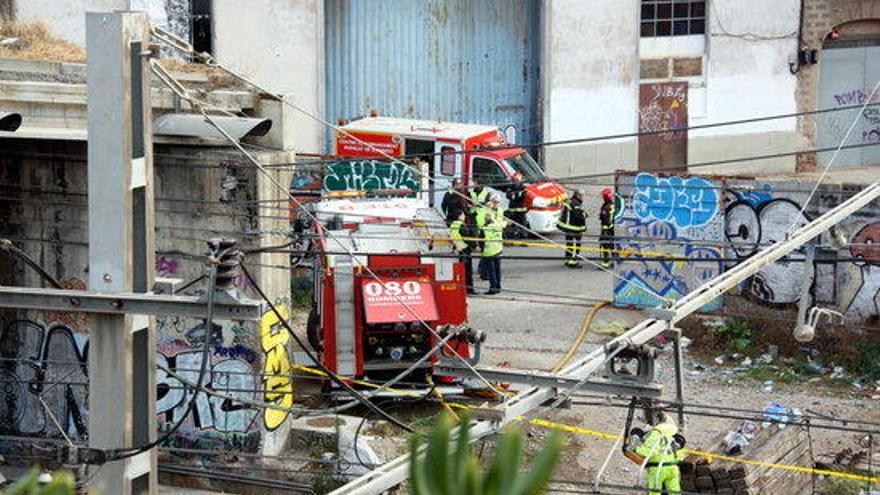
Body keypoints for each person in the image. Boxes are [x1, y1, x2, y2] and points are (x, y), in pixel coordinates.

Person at [632, 412, 686, 495]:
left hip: (658, 468)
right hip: (673, 468)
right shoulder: (674, 431)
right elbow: (680, 453)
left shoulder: (656, 432)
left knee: (654, 492)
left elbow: (649, 451)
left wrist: (635, 448)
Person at [482, 195, 507, 295]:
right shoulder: (500, 210)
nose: (495, 204)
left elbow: (485, 221)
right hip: (498, 242)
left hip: (490, 244)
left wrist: (487, 208)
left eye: (495, 202)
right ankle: (497, 286)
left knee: (492, 268)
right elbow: (502, 224)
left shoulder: (490, 211)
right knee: (497, 267)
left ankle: (493, 287)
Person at [557, 190, 587, 268]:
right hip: (573, 228)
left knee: (569, 244)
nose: (582, 197)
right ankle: (573, 262)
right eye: (581, 195)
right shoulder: (575, 203)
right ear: (577, 195)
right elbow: (578, 215)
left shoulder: (571, 201)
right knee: (575, 245)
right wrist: (584, 214)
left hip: (568, 227)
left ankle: (568, 259)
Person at [449, 210, 475, 294]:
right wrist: (473, 246)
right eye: (463, 215)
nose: (464, 217)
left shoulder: (453, 225)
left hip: (458, 249)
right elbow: (467, 238)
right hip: (465, 249)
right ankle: (469, 289)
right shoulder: (462, 225)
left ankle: (461, 288)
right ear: (459, 216)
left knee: (460, 271)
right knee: (467, 271)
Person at [505, 173, 528, 239]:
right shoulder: (510, 187)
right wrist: (516, 194)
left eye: (517, 179)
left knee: (523, 226)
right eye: (514, 179)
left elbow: (522, 196)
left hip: (521, 211)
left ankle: (524, 241)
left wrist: (515, 195)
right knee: (511, 226)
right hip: (512, 211)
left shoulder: (524, 188)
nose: (515, 181)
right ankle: (511, 239)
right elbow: (509, 196)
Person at [599, 188, 616, 268]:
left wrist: (604, 231)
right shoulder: (611, 205)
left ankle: (606, 262)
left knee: (605, 244)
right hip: (612, 229)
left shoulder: (607, 207)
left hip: (607, 230)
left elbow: (606, 220)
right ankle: (614, 260)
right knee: (612, 245)